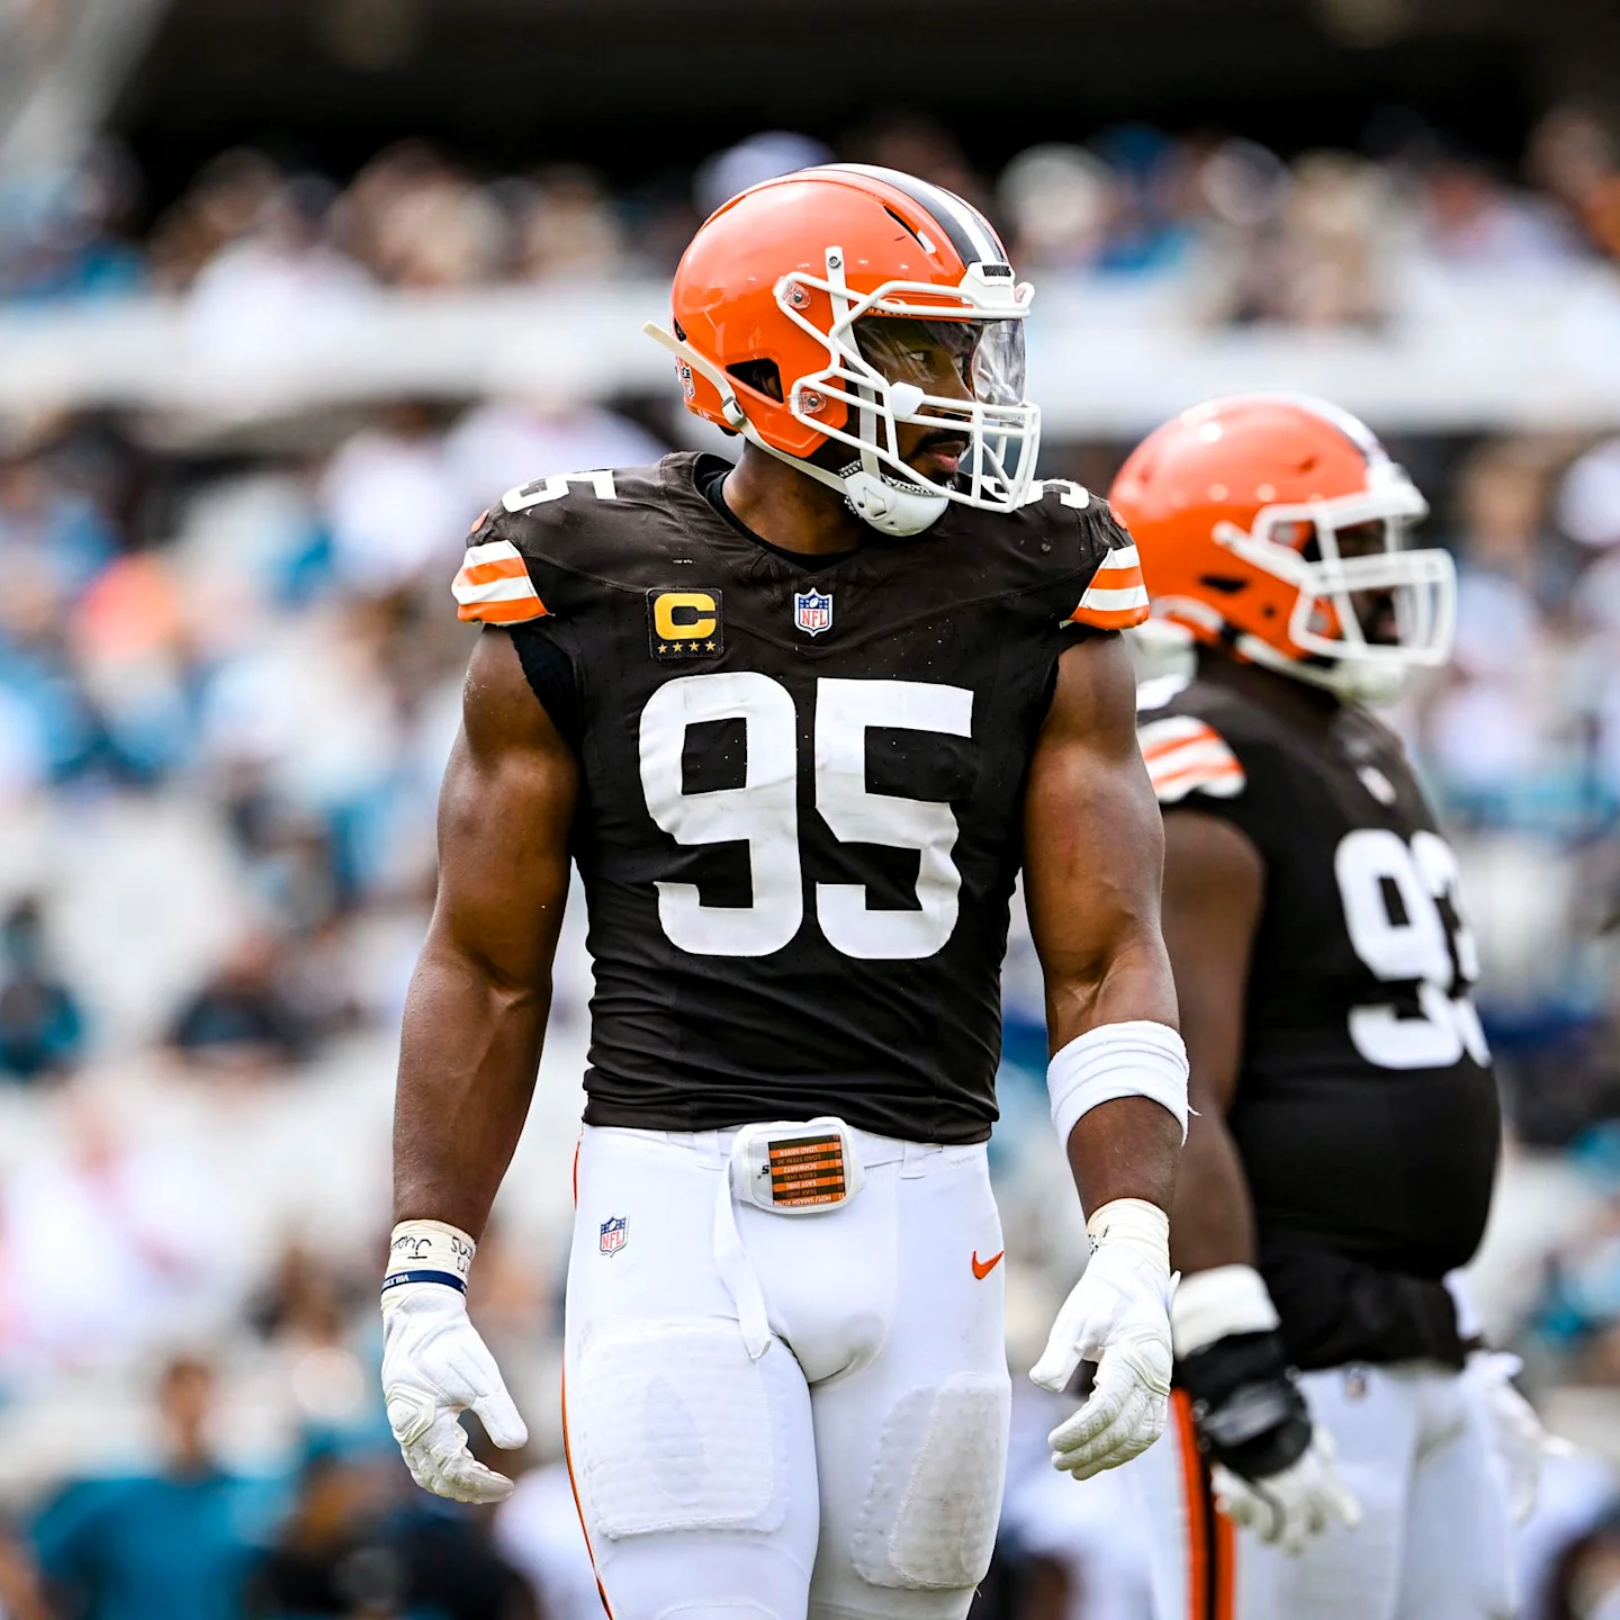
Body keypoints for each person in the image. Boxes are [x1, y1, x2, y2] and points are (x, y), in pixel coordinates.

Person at [379, 163, 1190, 1620]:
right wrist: (427, 1265)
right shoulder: (581, 571)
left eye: (970, 350)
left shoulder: (1037, 576)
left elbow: (1105, 950)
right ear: (772, 365)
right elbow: (485, 962)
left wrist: (1133, 1235)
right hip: (675, 1205)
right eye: (921, 349)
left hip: (934, 1203)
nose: (964, 392)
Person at [1111, 394, 1559, 1620]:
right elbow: (1170, 1082)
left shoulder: (1360, 744)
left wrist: (1445, 1322)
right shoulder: (1204, 761)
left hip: (1409, 1323)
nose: (1381, 572)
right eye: (1343, 545)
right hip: (1288, 1328)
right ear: (1226, 569)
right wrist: (1226, 1337)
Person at [33, 1354, 272, 1620]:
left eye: (203, 1395)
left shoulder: (253, 1497)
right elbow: (36, 1563)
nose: (193, 1409)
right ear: (161, 1402)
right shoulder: (110, 1498)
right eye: (181, 1394)